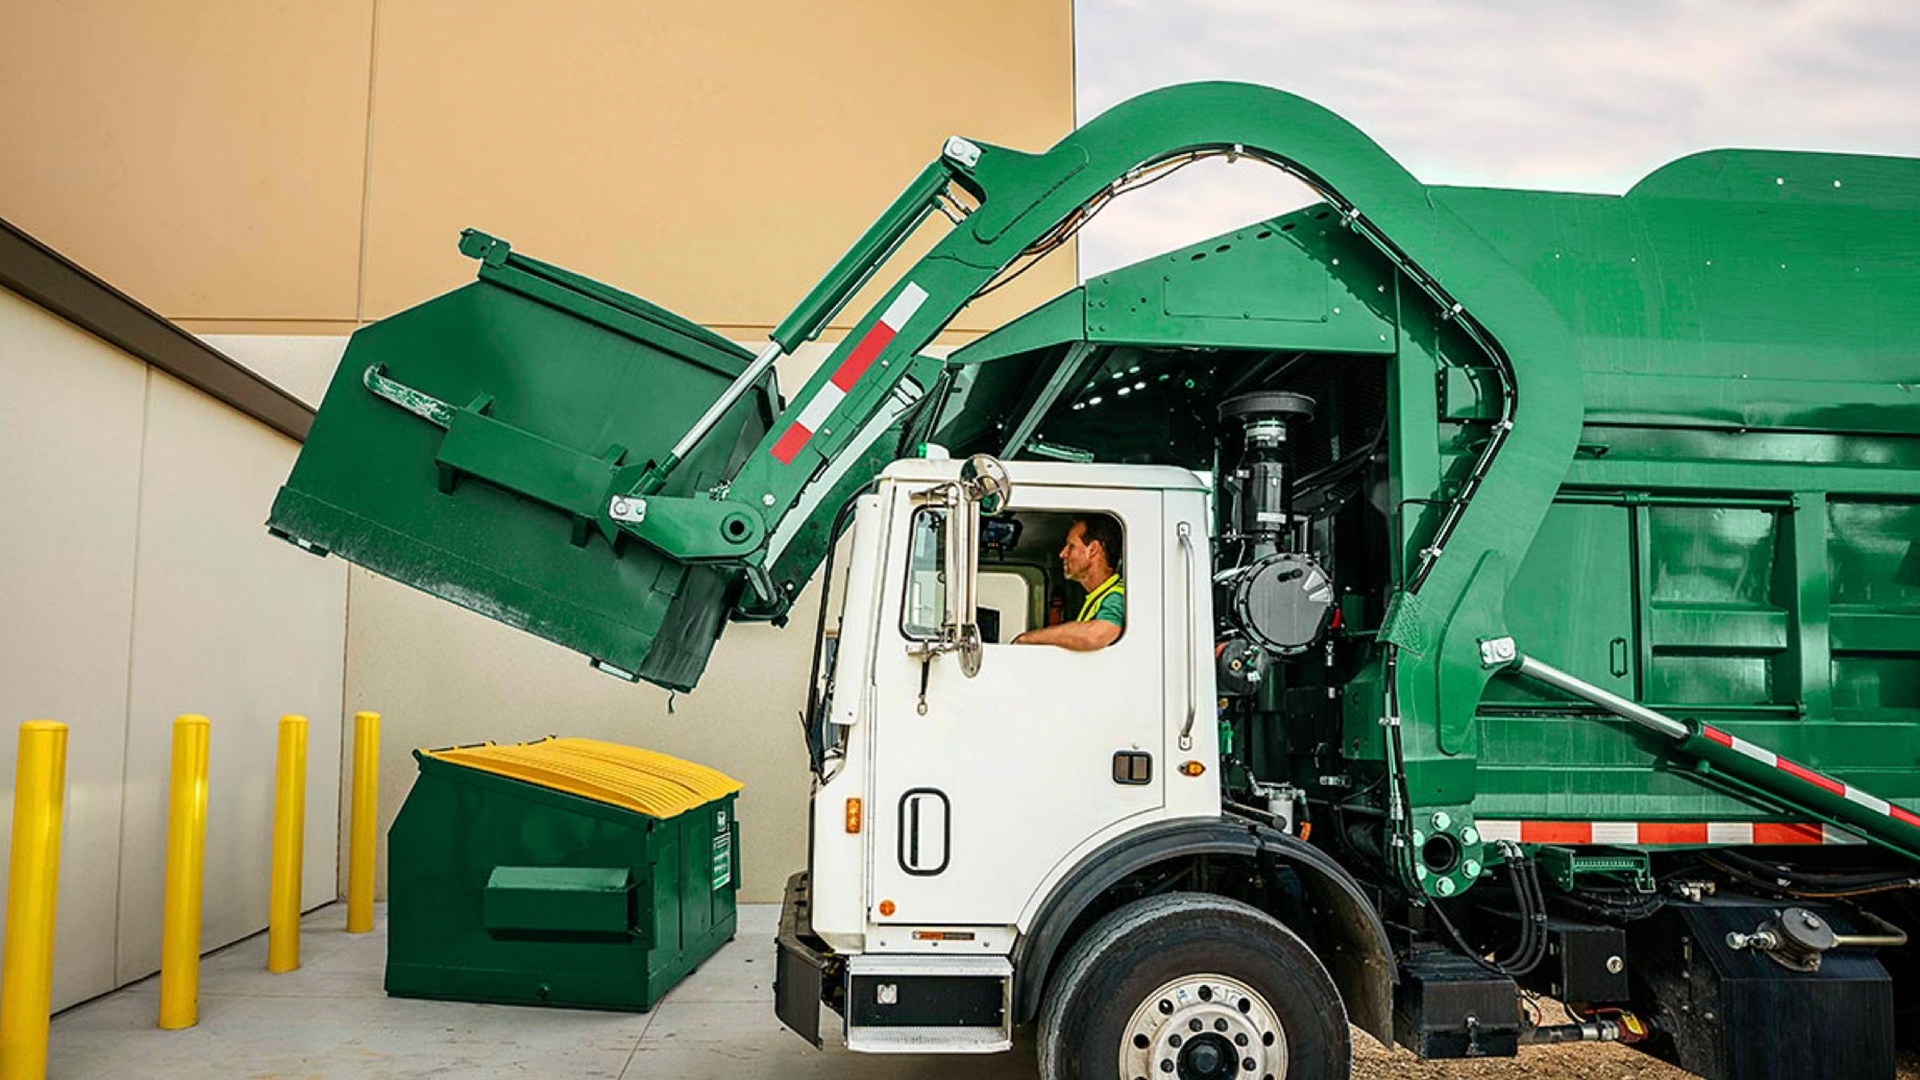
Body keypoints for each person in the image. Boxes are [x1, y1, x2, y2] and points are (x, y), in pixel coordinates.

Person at [1013, 516, 1123, 650]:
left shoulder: (1117, 594)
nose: (1062, 554)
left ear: (1093, 550)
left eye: (1071, 546)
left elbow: (1097, 634)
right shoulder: (1097, 597)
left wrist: (1027, 639)